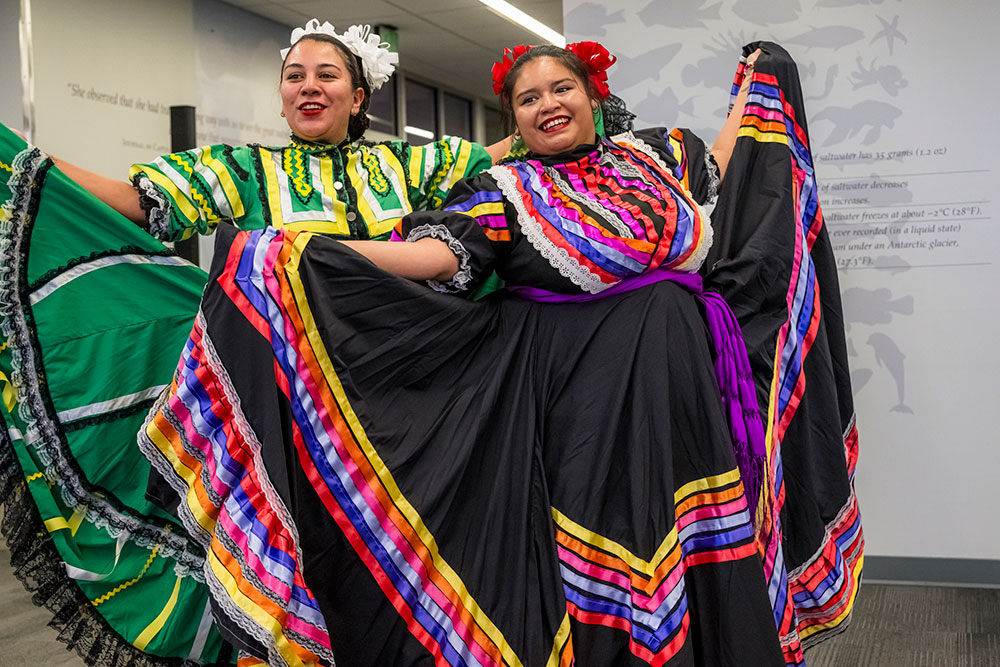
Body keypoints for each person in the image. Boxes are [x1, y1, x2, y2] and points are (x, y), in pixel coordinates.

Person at [140, 40, 861, 667]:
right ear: (513, 119)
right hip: (586, 415)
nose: (547, 104)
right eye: (527, 98)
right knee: (604, 577)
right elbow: (430, 254)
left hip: (690, 405)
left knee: (705, 558)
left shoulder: (660, 155)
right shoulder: (504, 190)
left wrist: (755, 90)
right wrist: (311, 250)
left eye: (560, 89)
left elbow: (728, 162)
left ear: (590, 95)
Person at [0, 19, 508, 666]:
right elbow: (136, 199)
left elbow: (504, 163)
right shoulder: (246, 169)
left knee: (407, 563)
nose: (308, 87)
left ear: (358, 97)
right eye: (294, 76)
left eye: (327, 75)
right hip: (289, 409)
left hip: (406, 405)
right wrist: (25, 164)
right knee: (306, 560)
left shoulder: (411, 163)